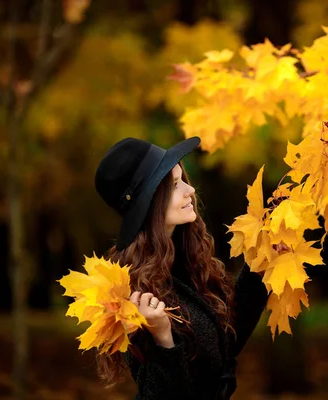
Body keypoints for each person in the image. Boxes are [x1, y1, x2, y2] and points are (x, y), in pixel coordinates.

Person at [93, 136, 269, 400]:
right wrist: (163, 338)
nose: (190, 190)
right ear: (150, 201)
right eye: (175, 185)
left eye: (182, 179)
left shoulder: (182, 260)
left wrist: (261, 261)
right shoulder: (131, 294)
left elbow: (225, 342)